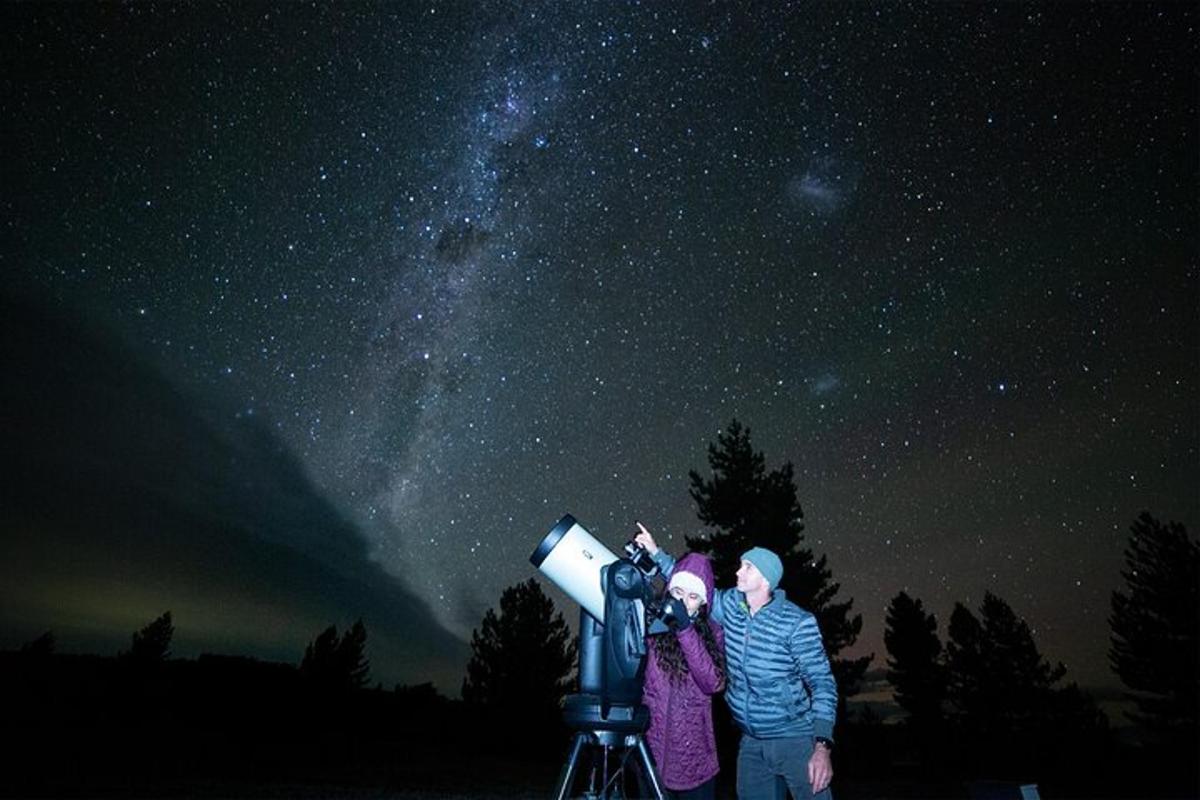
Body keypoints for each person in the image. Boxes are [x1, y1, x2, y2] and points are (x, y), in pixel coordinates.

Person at [635, 523, 836, 800]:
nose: (738, 571)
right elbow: (691, 583)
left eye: (747, 567)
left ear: (766, 579)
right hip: (751, 741)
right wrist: (656, 553)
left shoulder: (797, 622)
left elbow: (823, 683)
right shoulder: (730, 606)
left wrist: (822, 745)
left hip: (795, 739)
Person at [642, 552, 726, 800]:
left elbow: (713, 683)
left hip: (694, 760)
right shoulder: (652, 628)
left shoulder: (712, 633)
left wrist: (685, 630)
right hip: (651, 754)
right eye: (678, 593)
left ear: (702, 603)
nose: (683, 602)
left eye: (692, 597)